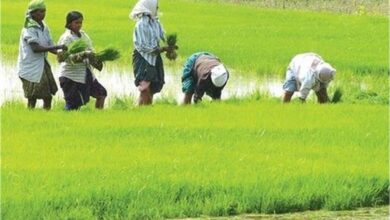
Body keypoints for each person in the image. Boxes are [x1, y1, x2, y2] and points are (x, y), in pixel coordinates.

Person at [17, 0, 66, 110]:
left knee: (48, 95)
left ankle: (46, 117)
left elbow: (49, 44)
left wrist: (61, 53)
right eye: (40, 11)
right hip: (30, 67)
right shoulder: (28, 28)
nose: (43, 14)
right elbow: (36, 48)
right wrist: (57, 47)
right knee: (32, 96)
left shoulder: (44, 26)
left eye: (44, 11)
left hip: (42, 65)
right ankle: (30, 117)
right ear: (32, 13)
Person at [57, 11, 107, 110]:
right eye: (76, 22)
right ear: (69, 23)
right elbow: (65, 58)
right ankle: (65, 121)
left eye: (80, 22)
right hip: (71, 77)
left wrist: (96, 58)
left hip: (86, 74)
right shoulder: (66, 38)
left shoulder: (84, 36)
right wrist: (84, 55)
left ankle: (98, 118)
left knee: (101, 93)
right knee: (73, 104)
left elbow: (91, 51)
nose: (79, 25)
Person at [130, 0, 172, 105]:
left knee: (152, 86)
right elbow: (142, 46)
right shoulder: (141, 25)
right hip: (143, 58)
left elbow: (163, 35)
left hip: (155, 57)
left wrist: (171, 45)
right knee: (144, 87)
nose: (157, 9)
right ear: (150, 7)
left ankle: (145, 112)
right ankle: (142, 111)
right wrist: (161, 49)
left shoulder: (155, 23)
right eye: (156, 7)